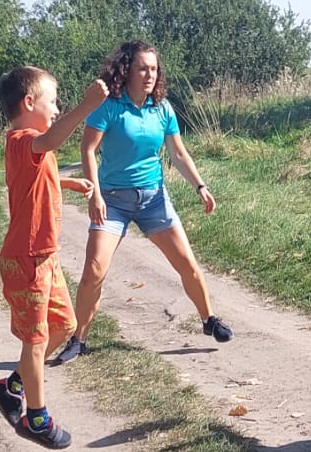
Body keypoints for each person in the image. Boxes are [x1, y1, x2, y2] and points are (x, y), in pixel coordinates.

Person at [50, 40, 228, 364]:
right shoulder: (108, 106)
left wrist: (200, 186)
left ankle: (209, 319)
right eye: (142, 68)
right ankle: (79, 340)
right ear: (127, 71)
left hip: (153, 199)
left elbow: (178, 153)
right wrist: (95, 195)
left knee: (187, 263)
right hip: (113, 201)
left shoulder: (162, 108)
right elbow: (87, 150)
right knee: (94, 270)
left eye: (154, 69)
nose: (149, 75)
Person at [0, 67, 106, 448]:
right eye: (52, 102)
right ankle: (36, 418)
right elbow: (50, 141)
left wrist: (66, 183)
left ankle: (12, 387)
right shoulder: (22, 140)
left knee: (64, 326)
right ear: (28, 103)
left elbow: (35, 178)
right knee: (35, 342)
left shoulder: (34, 149)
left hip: (45, 257)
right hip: (26, 260)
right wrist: (87, 106)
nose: (56, 109)